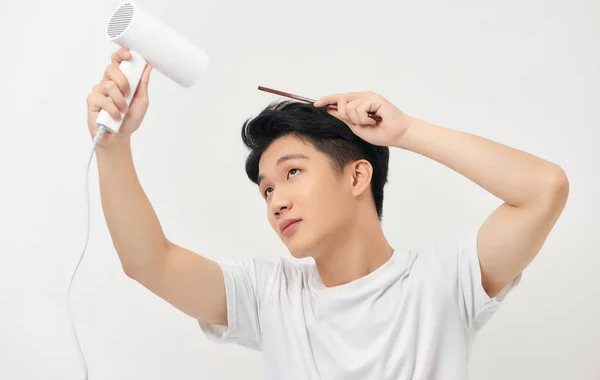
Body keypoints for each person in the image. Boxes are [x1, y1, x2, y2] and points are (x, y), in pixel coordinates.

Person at [86, 47, 569, 380]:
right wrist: (113, 146)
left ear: (357, 177)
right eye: (266, 189)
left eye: (292, 173)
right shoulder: (268, 296)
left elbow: (543, 190)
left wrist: (404, 133)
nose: (276, 200)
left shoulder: (443, 283)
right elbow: (150, 261)